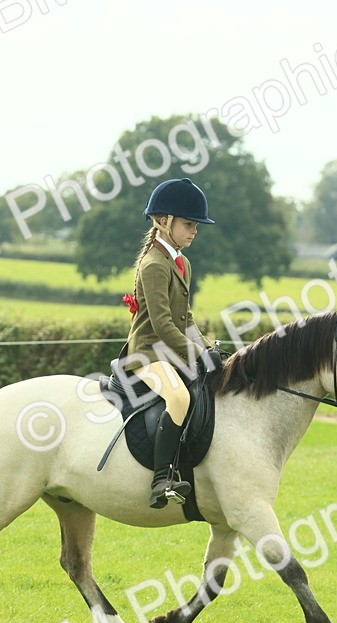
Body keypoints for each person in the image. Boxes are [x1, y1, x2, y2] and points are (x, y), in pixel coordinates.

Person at [119, 177, 216, 508]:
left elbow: (185, 318)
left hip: (170, 351)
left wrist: (206, 349)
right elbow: (161, 325)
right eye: (189, 224)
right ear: (163, 222)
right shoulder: (153, 265)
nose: (194, 231)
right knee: (178, 396)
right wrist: (194, 354)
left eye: (195, 225)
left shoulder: (182, 263)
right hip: (147, 354)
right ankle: (161, 479)